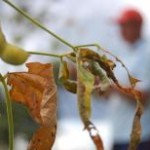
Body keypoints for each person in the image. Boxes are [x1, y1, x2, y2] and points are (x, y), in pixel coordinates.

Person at [108, 8, 150, 150]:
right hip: (119, 133)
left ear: (137, 26)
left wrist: (113, 87)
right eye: (120, 26)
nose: (121, 30)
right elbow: (110, 96)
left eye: (125, 26)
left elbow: (143, 97)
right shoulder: (124, 53)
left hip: (139, 137)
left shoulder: (146, 53)